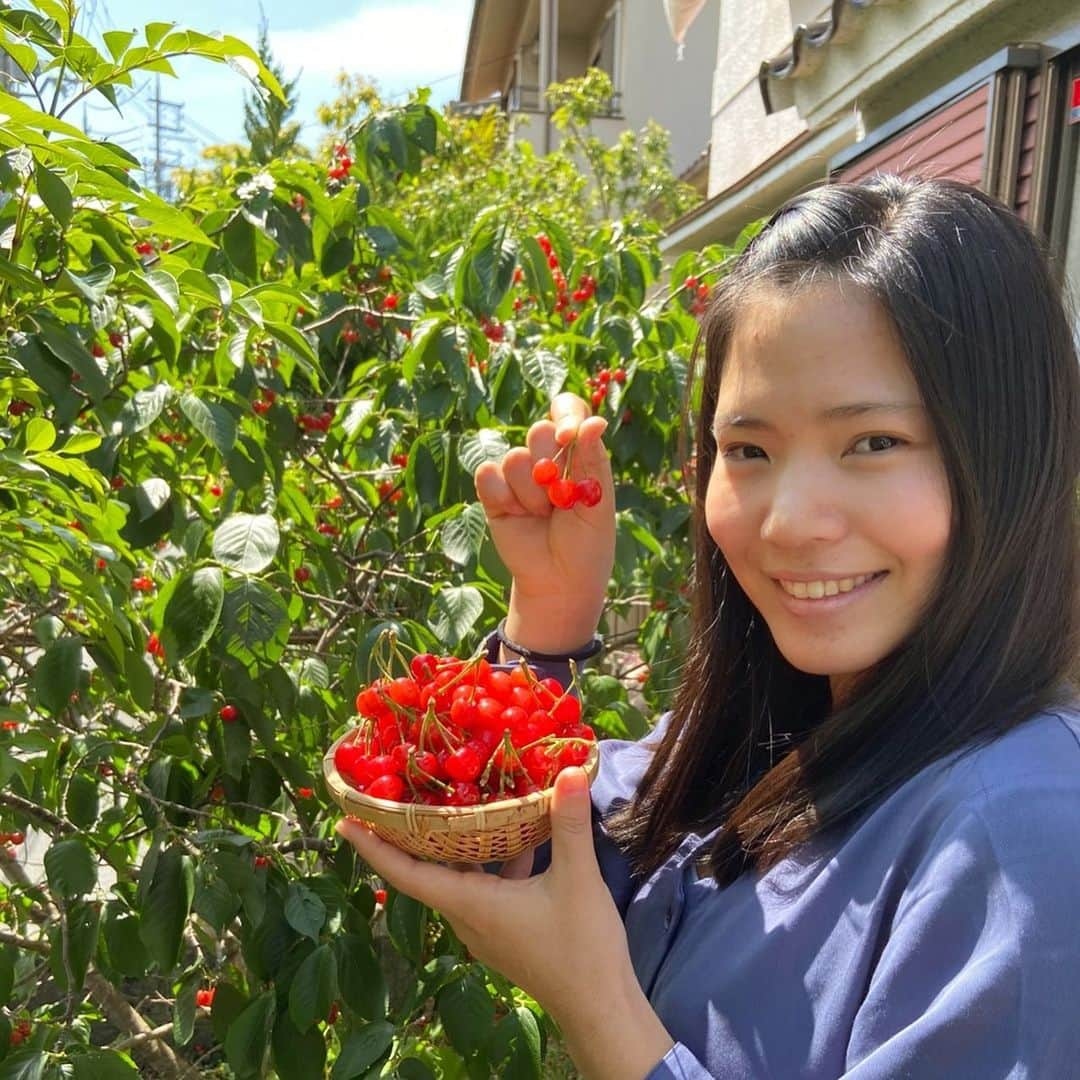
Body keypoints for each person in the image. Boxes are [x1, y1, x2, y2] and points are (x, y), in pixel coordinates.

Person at [337, 175, 1080, 1079]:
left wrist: (596, 1005)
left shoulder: (1024, 838)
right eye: (749, 451)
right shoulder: (792, 719)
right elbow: (584, 850)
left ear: (1012, 455)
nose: (788, 521)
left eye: (875, 442)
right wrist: (553, 608)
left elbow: (589, 945)